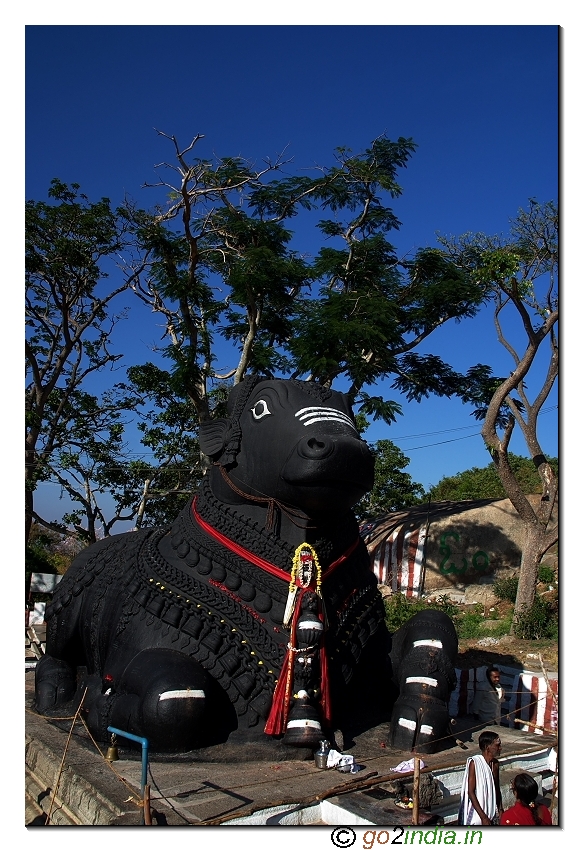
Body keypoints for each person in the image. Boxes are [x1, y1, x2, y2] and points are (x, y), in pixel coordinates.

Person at [458, 730, 503, 826]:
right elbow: (470, 791)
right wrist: (483, 817)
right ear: (488, 748)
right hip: (477, 813)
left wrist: (500, 809)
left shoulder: (495, 764)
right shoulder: (474, 763)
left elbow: (497, 789)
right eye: (497, 746)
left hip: (491, 812)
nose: (500, 748)